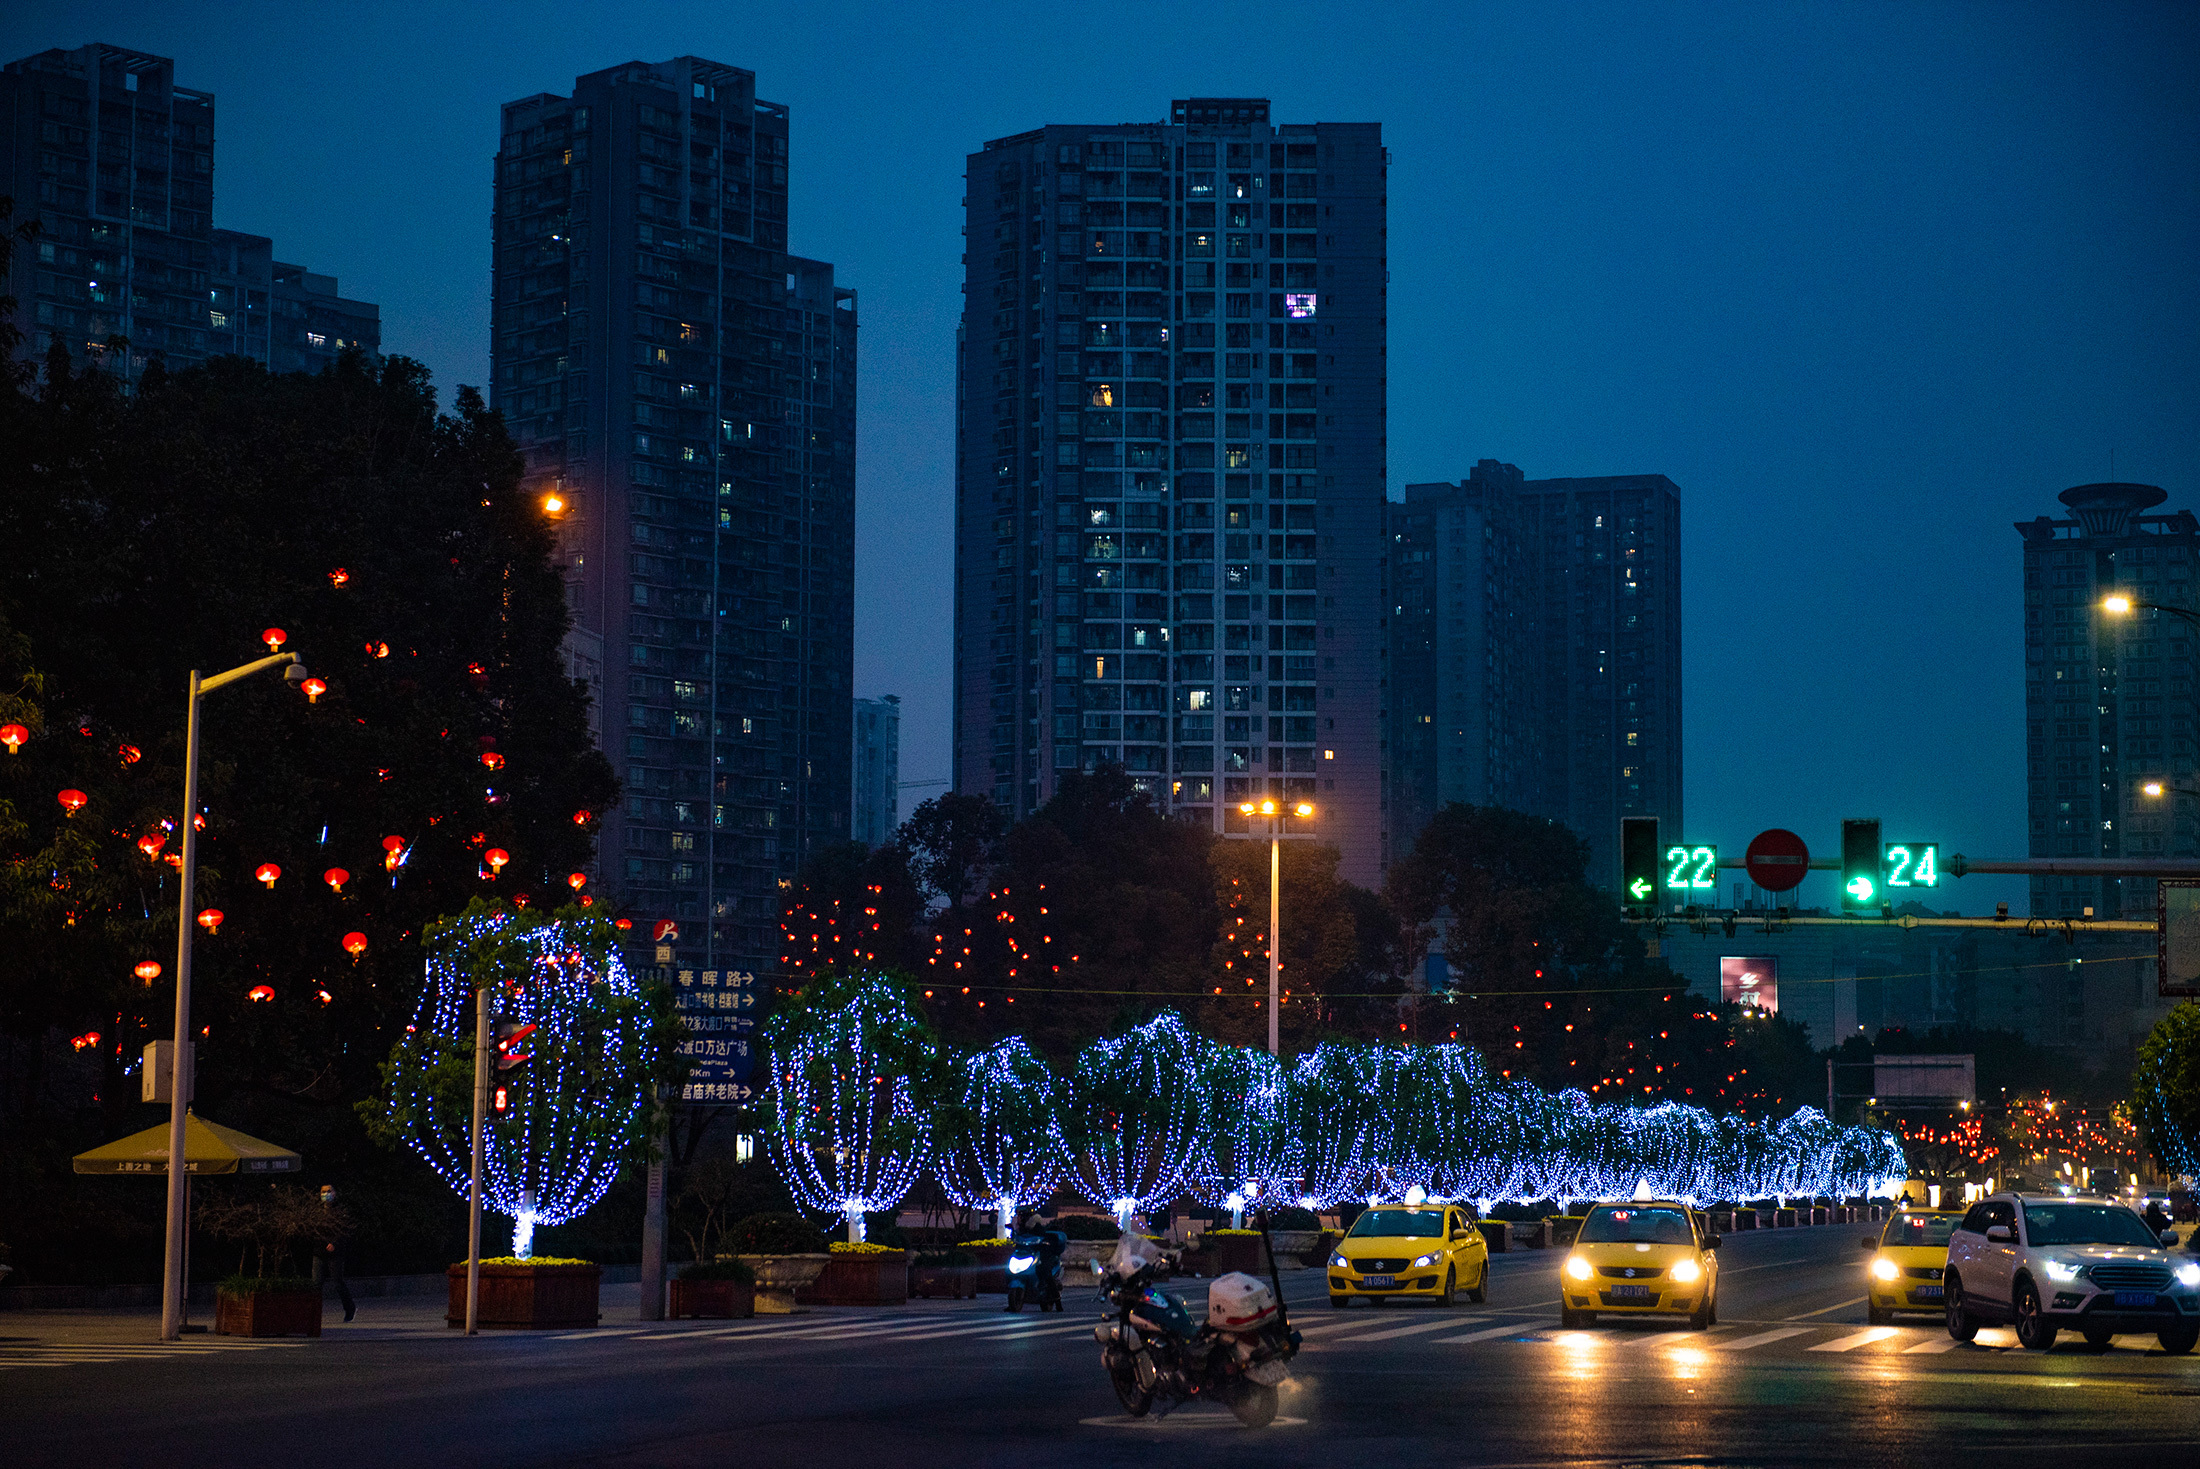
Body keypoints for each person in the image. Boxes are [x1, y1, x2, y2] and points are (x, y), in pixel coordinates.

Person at [316, 1184, 355, 1322]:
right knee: (316, 1284)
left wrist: (334, 1243)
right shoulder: (316, 1211)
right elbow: (314, 1232)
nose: (326, 1194)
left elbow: (344, 1230)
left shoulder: (340, 1210)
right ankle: (313, 1313)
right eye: (323, 1192)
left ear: (334, 1193)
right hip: (320, 1251)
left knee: (337, 1282)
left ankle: (349, 1308)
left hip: (335, 1252)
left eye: (329, 1191)